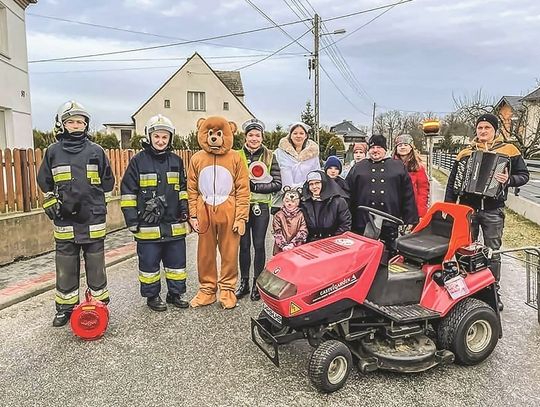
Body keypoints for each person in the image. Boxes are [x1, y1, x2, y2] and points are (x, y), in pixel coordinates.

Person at [37, 101, 114, 327]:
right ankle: (65, 307)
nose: (76, 126)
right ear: (62, 125)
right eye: (71, 122)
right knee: (66, 266)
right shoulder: (52, 152)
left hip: (92, 220)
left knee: (96, 266)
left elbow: (108, 182)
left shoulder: (96, 151)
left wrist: (99, 207)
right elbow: (45, 182)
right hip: (65, 220)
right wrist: (50, 199)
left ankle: (99, 306)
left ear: (86, 125)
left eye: (80, 122)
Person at [445, 113, 529, 310]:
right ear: (476, 130)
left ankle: (492, 291)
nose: (483, 131)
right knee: (464, 250)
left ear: (495, 130)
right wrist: (449, 206)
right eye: (480, 127)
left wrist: (508, 180)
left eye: (487, 128)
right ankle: (466, 291)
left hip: (493, 210)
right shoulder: (466, 152)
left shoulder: (509, 150)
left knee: (493, 252)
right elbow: (452, 181)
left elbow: (524, 175)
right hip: (468, 209)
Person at [120, 115, 189, 311]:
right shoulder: (137, 162)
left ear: (170, 139)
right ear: (149, 137)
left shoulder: (177, 161)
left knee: (176, 262)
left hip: (173, 225)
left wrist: (184, 208)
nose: (160, 141)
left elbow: (183, 188)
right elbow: (128, 193)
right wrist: (132, 220)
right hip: (147, 226)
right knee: (149, 264)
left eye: (164, 137)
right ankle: (152, 296)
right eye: (157, 136)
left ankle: (175, 293)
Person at [188, 116, 250, 310]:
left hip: (229, 211)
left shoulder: (235, 158)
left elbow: (243, 189)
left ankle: (227, 290)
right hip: (204, 209)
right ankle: (207, 290)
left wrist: (241, 217)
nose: (215, 138)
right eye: (211, 134)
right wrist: (193, 215)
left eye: (220, 134)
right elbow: (191, 188)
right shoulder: (197, 158)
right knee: (204, 254)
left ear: (229, 133)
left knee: (230, 253)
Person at [235, 118, 282, 301]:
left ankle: (257, 284)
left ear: (262, 137)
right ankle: (244, 283)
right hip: (241, 206)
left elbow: (277, 184)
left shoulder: (270, 156)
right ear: (245, 136)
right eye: (251, 135)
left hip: (261, 206)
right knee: (244, 245)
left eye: (257, 135)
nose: (254, 138)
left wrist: (254, 187)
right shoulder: (236, 155)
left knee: (259, 245)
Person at [346, 134, 418, 247]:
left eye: (379, 147)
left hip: (390, 220)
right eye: (372, 148)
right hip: (363, 221)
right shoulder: (358, 167)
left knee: (389, 253)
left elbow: (407, 194)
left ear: (385, 149)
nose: (375, 150)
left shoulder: (398, 166)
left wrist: (410, 218)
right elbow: (347, 193)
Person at [273, 122, 320, 211]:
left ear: (306, 136)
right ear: (290, 135)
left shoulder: (313, 155)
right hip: (282, 199)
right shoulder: (279, 153)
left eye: (301, 133)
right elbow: (273, 172)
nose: (298, 136)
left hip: (305, 198)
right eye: (295, 133)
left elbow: (316, 175)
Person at [302, 170, 351, 241]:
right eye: (311, 184)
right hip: (311, 242)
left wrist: (332, 240)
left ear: (324, 183)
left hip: (333, 241)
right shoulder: (305, 202)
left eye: (317, 183)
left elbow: (345, 225)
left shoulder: (338, 202)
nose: (314, 187)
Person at [393, 134, 429, 218]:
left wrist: (421, 212)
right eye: (400, 145)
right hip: (394, 208)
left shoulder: (418, 167)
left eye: (406, 145)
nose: (403, 147)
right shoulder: (390, 165)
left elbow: (423, 190)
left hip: (411, 208)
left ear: (411, 147)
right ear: (396, 148)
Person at [272, 186, 308, 254]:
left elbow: (303, 230)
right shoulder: (278, 215)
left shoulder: (301, 215)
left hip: (297, 247)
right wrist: (283, 245)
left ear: (298, 203)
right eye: (287, 201)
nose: (289, 203)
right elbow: (277, 232)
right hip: (281, 248)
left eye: (293, 201)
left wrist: (293, 244)